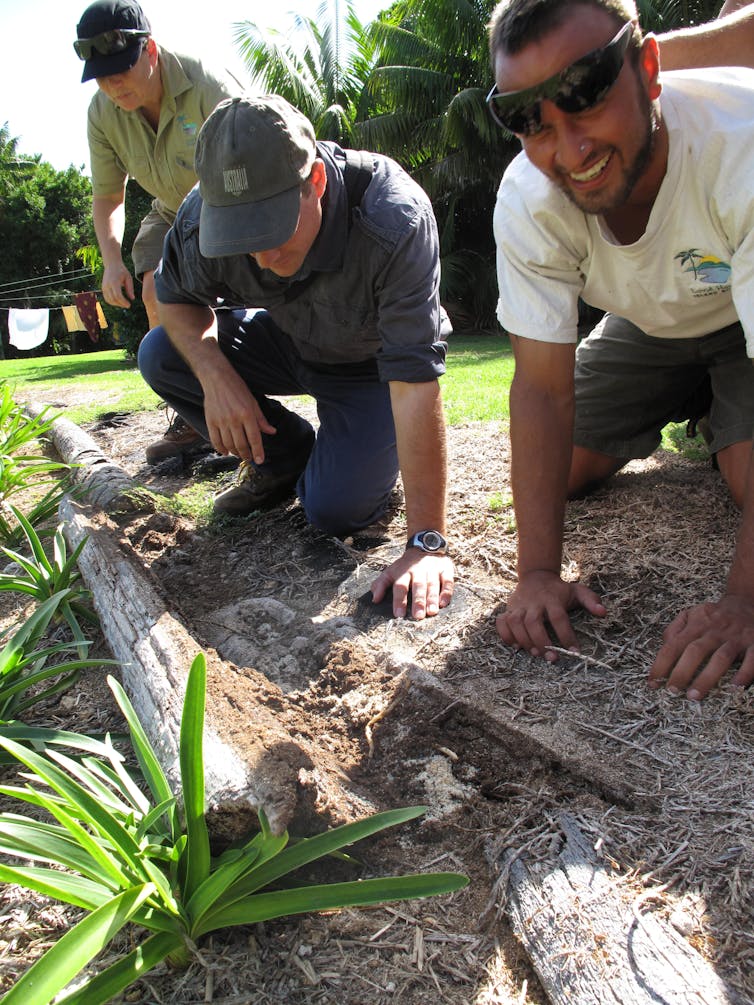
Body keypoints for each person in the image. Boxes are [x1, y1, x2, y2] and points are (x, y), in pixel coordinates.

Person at [488, 0, 754, 699]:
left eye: (586, 97)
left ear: (649, 67)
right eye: (530, 121)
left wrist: (745, 599)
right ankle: (699, 403)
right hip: (648, 328)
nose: (569, 150)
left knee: (743, 479)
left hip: (738, 317)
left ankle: (720, 419)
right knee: (564, 469)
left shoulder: (743, 143)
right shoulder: (528, 198)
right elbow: (542, 390)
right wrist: (538, 572)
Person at [137, 95, 455, 621]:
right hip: (284, 342)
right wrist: (217, 375)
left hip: (369, 370)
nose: (261, 256)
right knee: (162, 352)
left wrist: (426, 542)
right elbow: (172, 298)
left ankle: (350, 470)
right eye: (240, 235)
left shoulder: (393, 219)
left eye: (272, 228)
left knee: (332, 511)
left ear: (317, 185)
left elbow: (416, 383)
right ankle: (283, 456)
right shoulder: (197, 218)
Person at [74, 0, 236, 461]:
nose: (113, 85)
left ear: (150, 50)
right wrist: (110, 260)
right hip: (169, 210)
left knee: (188, 296)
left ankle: (229, 405)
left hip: (228, 203)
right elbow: (108, 195)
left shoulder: (207, 83)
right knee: (154, 294)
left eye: (120, 69)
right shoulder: (101, 113)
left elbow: (253, 165)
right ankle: (193, 418)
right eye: (101, 76)